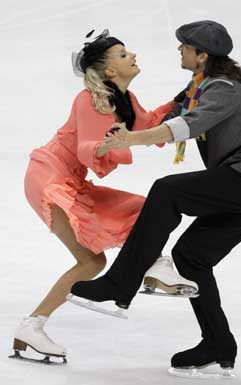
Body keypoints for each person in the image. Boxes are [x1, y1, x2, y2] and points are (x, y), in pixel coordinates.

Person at [69, 21, 241, 376]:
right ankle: (218, 342)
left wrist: (131, 141)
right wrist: (115, 123)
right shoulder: (198, 87)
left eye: (185, 46)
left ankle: (119, 285)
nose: (180, 50)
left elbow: (186, 126)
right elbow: (161, 120)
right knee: (191, 258)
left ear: (202, 55)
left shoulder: (224, 88)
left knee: (168, 191)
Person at [11, 29, 197, 364]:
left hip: (70, 179)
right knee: (92, 261)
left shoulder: (126, 99)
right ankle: (32, 326)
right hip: (49, 176)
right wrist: (105, 145)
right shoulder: (89, 100)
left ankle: (153, 264)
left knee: (142, 209)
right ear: (109, 71)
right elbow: (85, 150)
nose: (133, 56)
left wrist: (184, 97)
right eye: (124, 55)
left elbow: (151, 122)